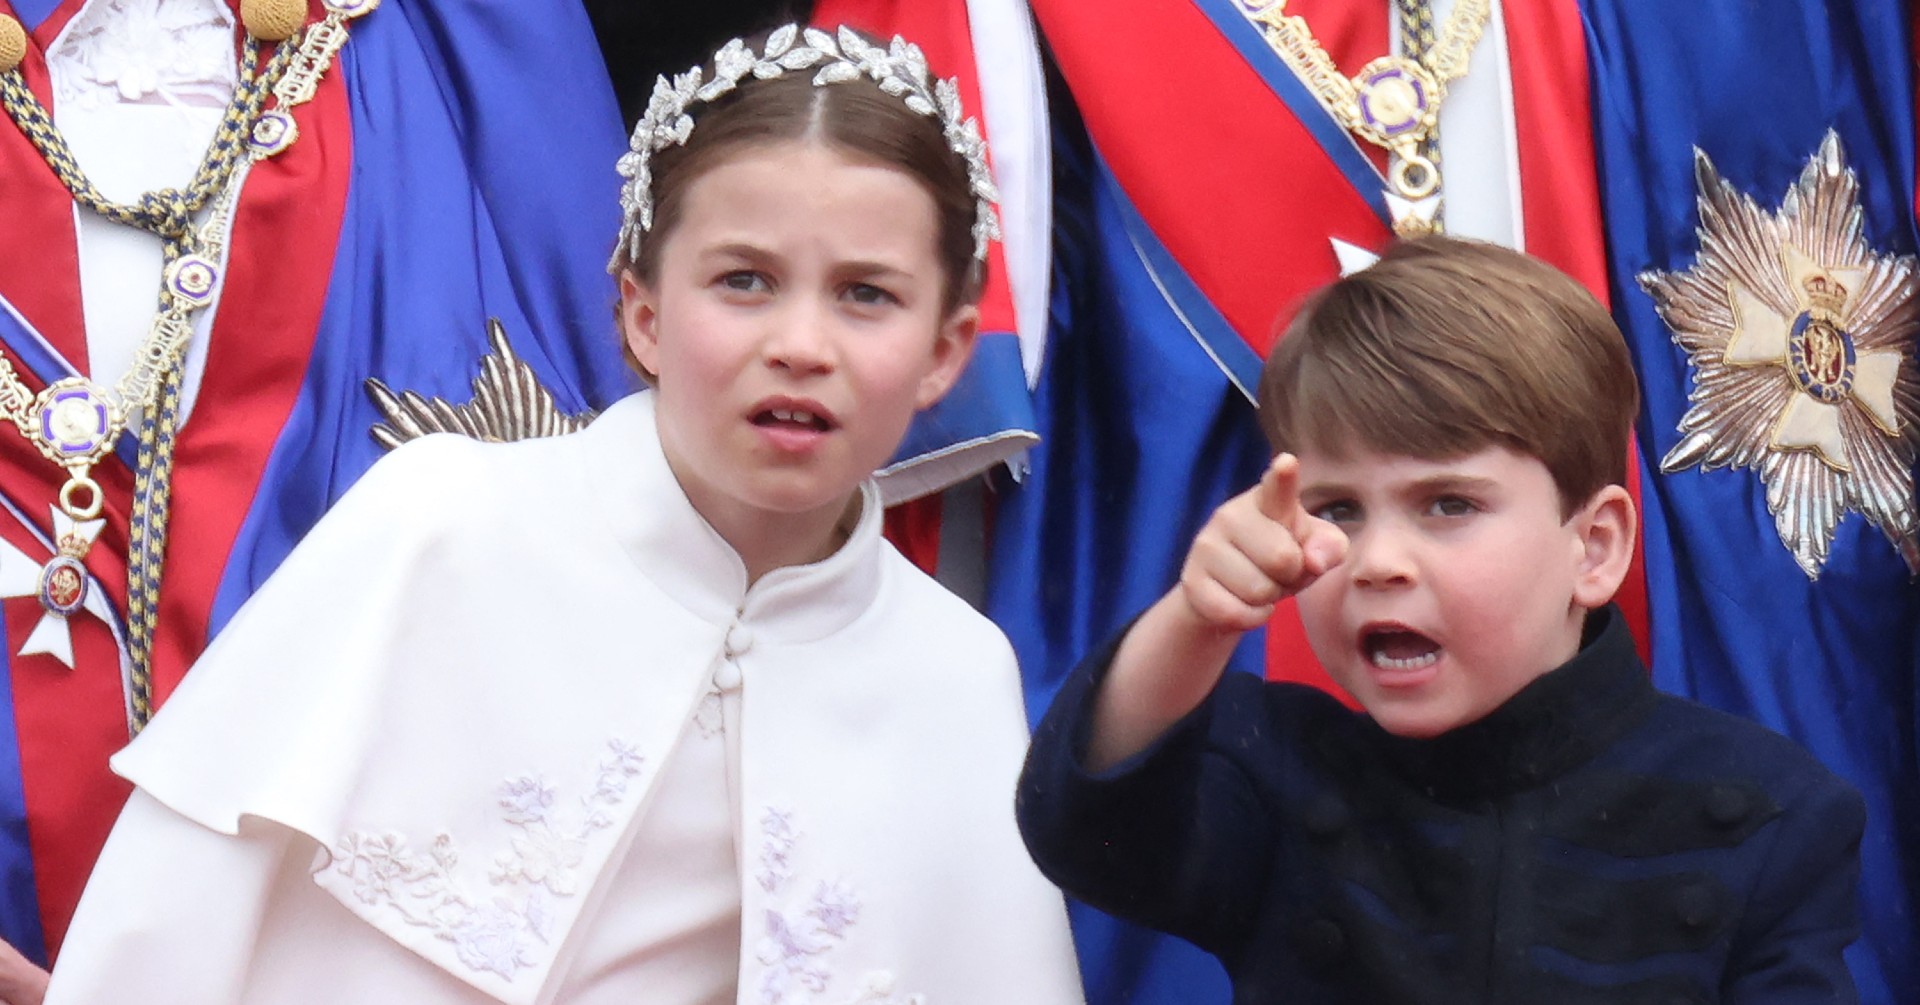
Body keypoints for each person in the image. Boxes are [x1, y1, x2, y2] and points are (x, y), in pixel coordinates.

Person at [42, 23, 1082, 1004]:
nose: (801, 345)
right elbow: (170, 904)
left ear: (946, 350)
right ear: (643, 312)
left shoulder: (955, 674)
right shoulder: (440, 524)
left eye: (866, 295)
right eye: (744, 281)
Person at [1016, 237, 1865, 1003]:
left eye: (1448, 503)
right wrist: (1197, 617)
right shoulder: (1276, 771)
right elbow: (1086, 826)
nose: (1378, 559)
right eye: (1337, 508)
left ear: (1594, 546)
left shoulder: (1769, 814)